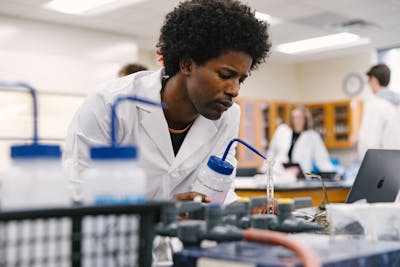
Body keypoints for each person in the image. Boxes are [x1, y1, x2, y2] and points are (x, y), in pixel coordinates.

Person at [63, 0, 270, 204]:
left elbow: (216, 190)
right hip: (114, 236)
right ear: (187, 64)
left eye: (240, 80)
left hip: (183, 237)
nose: (234, 90)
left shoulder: (228, 115)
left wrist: (242, 209)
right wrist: (158, 215)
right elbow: (78, 194)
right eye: (225, 75)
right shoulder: (110, 103)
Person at [267, 106, 334, 176]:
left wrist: (332, 174)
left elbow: (322, 160)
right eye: (293, 117)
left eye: (299, 117)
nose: (296, 120)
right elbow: (271, 153)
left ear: (305, 119)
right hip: (278, 173)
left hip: (300, 176)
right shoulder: (282, 130)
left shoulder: (312, 136)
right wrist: (264, 171)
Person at [357, 64, 400, 160]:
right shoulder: (397, 104)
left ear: (373, 80)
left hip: (382, 164)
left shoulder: (374, 104)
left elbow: (369, 143)